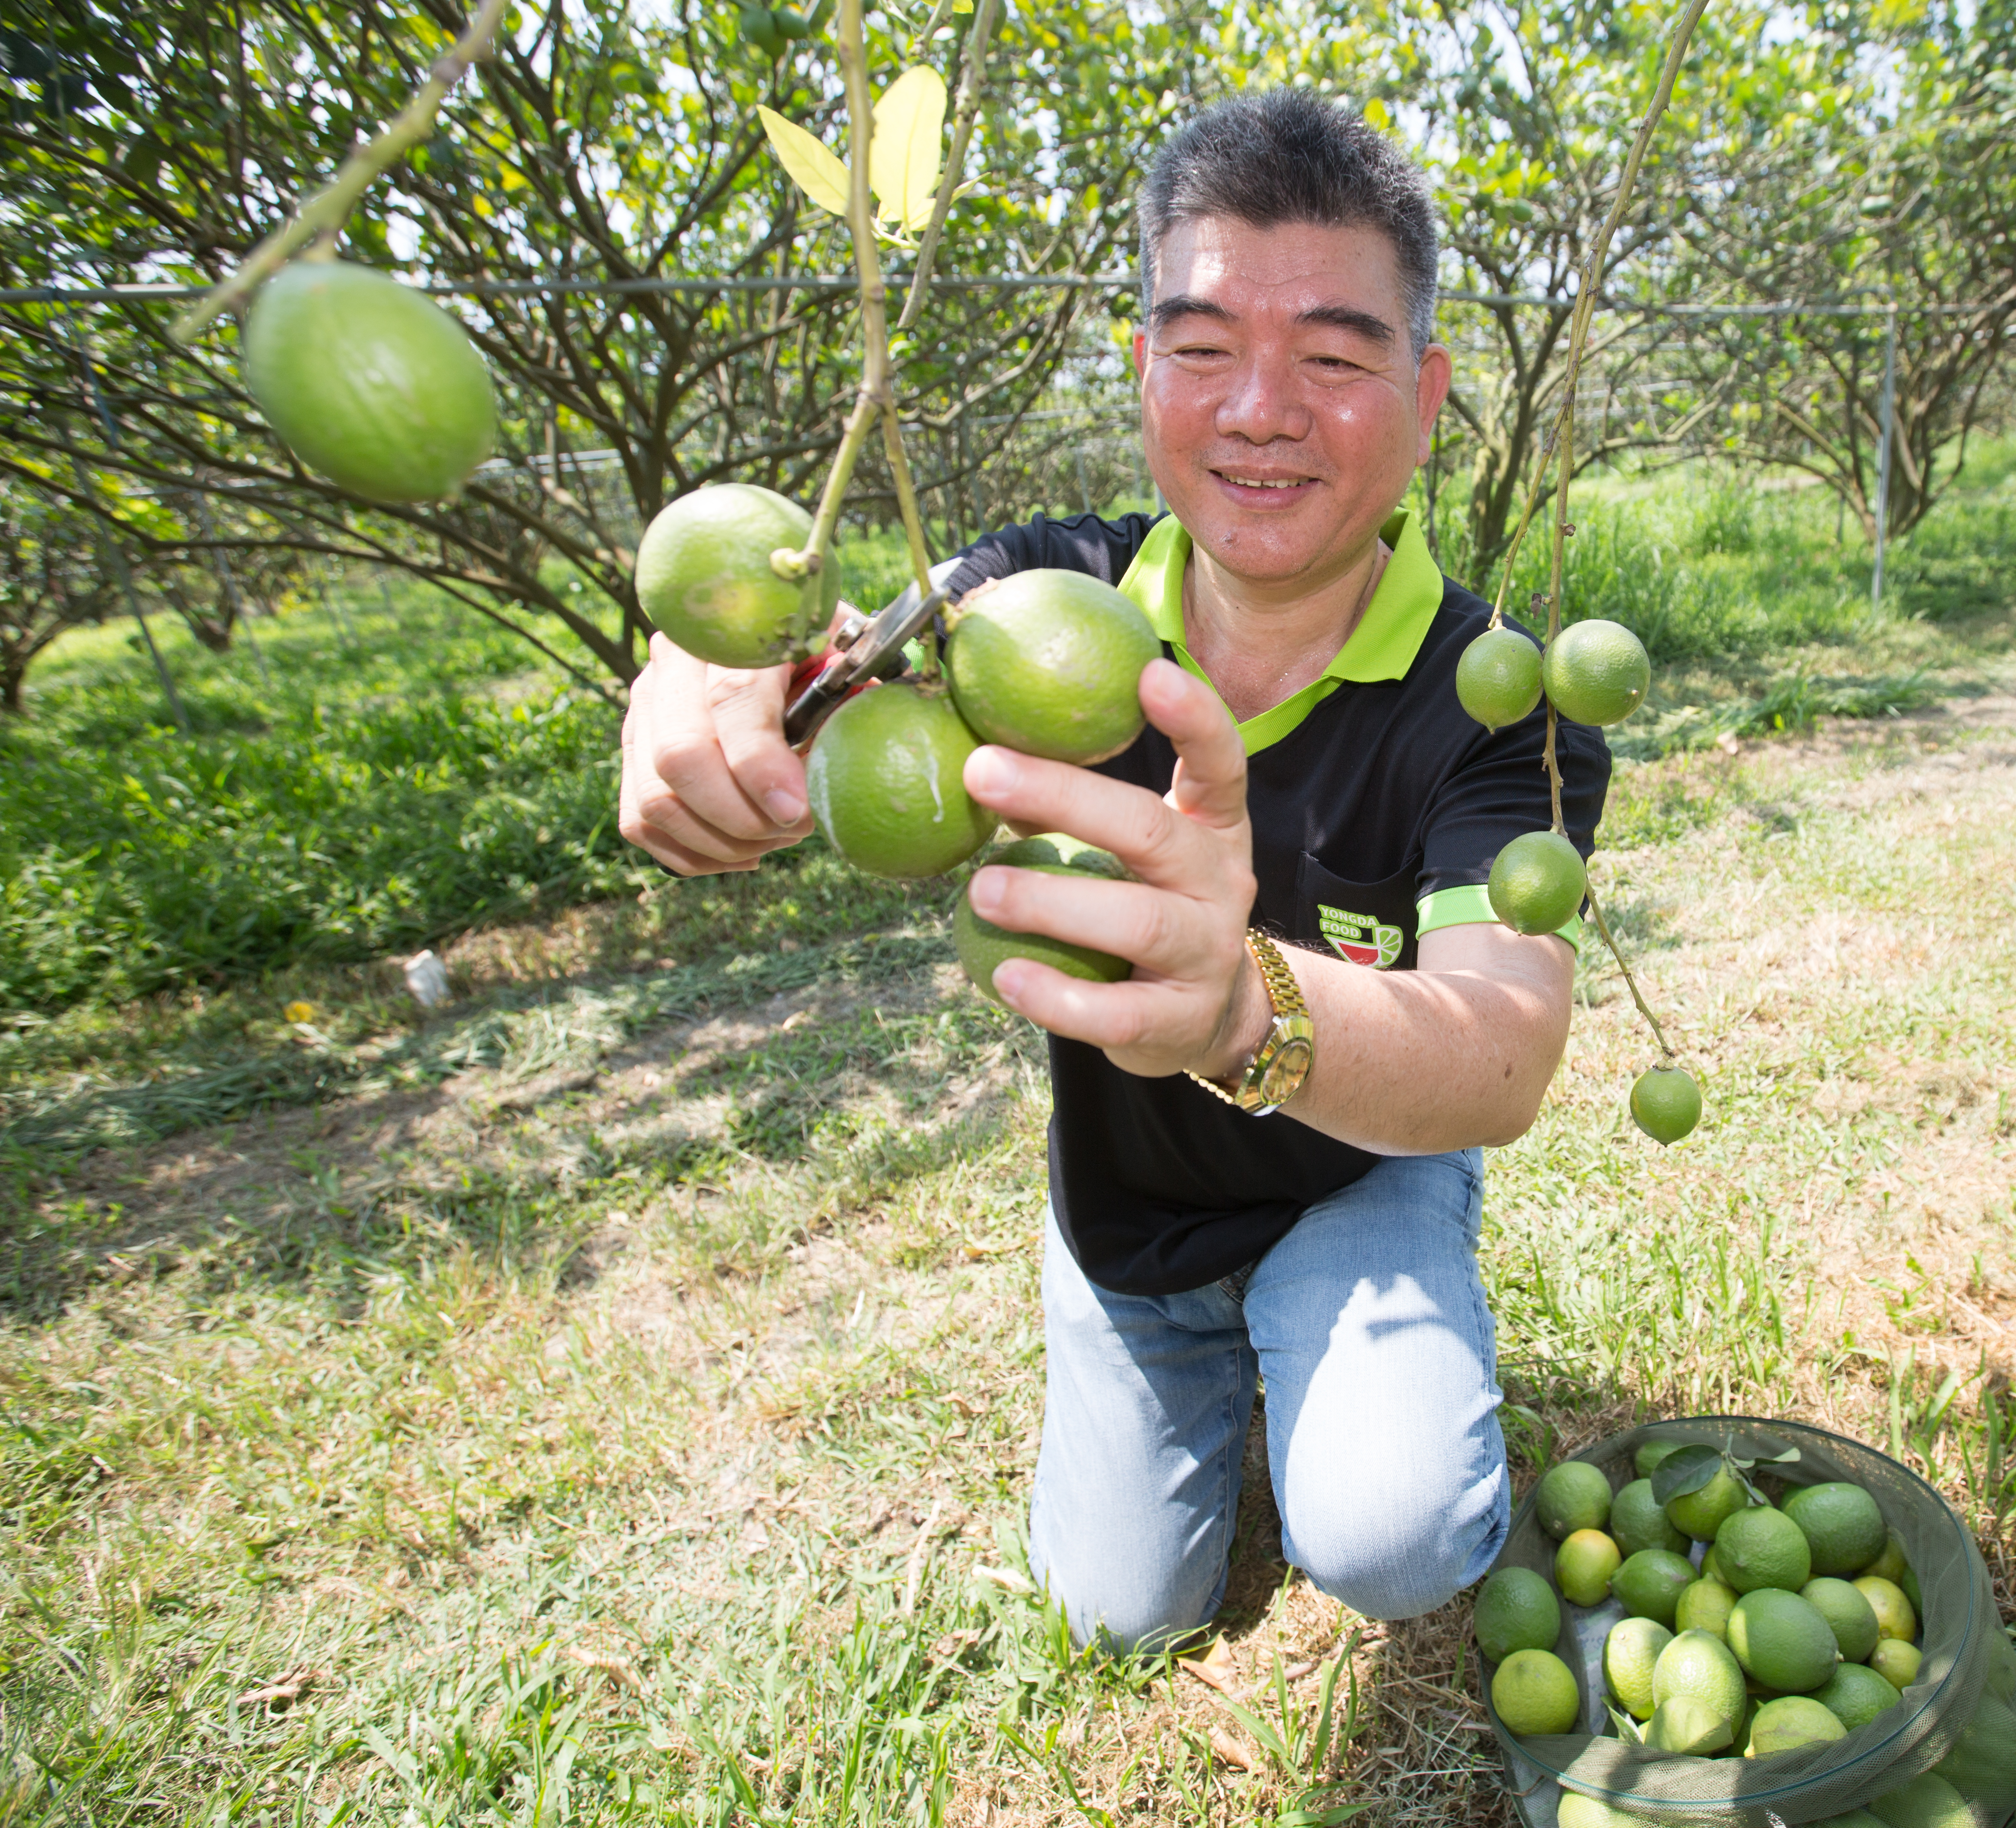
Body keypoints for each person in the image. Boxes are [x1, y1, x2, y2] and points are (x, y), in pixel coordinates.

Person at [616, 89, 1609, 1649]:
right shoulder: (1031, 607)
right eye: (1203, 349)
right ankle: (1173, 1338)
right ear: (1143, 372)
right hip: (1128, 1200)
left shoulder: (1492, 693)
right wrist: (698, 671)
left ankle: (1353, 1356)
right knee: (1117, 1615)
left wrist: (1239, 1010)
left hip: (1360, 1171)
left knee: (1395, 1541)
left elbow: (1498, 1055)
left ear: (1423, 398)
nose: (1260, 410)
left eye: (1335, 359)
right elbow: (808, 650)